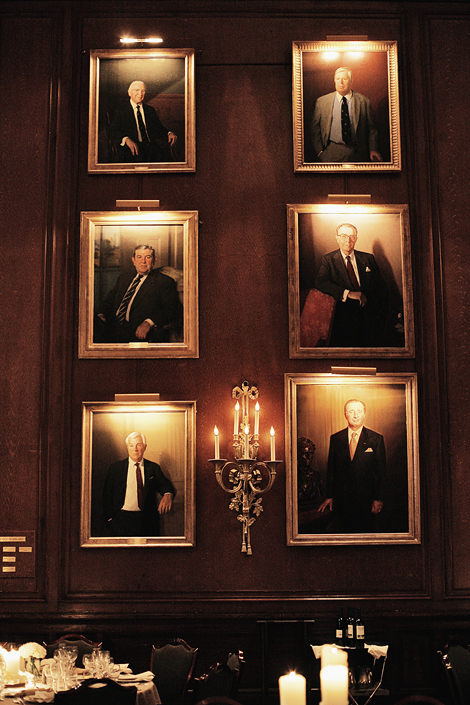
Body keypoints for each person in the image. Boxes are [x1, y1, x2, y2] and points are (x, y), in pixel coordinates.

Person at [314, 223, 389, 347]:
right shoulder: (329, 260)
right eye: (343, 236)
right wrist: (348, 293)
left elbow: (382, 289)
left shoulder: (368, 258)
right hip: (343, 323)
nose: (348, 240)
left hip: (370, 323)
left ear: (356, 239)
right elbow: (320, 282)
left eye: (352, 236)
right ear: (337, 238)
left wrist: (379, 317)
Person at [319, 399, 385, 533]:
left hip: (367, 502)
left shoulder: (376, 439)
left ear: (364, 414)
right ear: (345, 414)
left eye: (359, 411)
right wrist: (329, 496)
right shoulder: (336, 438)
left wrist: (378, 499)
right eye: (351, 411)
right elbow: (331, 469)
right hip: (342, 501)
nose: (355, 415)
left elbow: (381, 473)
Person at [94, 244, 183, 344]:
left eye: (148, 257)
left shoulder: (164, 282)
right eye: (139, 257)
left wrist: (149, 322)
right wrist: (101, 315)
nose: (143, 261)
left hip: (134, 332)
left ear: (154, 260)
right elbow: (109, 301)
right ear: (133, 260)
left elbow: (171, 309)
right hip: (110, 326)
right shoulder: (124, 279)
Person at [103, 432, 176, 537]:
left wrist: (168, 494)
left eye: (139, 445)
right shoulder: (116, 468)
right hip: (121, 520)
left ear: (145, 447)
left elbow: (165, 485)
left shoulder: (153, 468)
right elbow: (106, 495)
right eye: (131, 445)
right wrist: (110, 519)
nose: (135, 449)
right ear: (127, 447)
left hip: (147, 521)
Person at [311, 66, 382, 163]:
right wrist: (320, 152)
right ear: (334, 81)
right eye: (337, 79)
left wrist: (373, 149)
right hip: (331, 152)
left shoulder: (364, 101)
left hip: (358, 153)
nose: (341, 82)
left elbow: (372, 129)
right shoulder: (322, 101)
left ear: (351, 81)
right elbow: (315, 129)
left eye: (344, 79)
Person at [108, 80, 177, 163]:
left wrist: (169, 133)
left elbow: (159, 128)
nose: (140, 94)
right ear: (129, 93)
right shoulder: (121, 110)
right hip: (131, 149)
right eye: (137, 90)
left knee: (168, 160)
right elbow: (112, 130)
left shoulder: (150, 110)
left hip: (150, 148)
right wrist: (125, 139)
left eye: (143, 91)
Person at [297, 437, 332, 533]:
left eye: (311, 453)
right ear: (298, 454)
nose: (309, 456)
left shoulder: (317, 476)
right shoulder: (294, 477)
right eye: (305, 453)